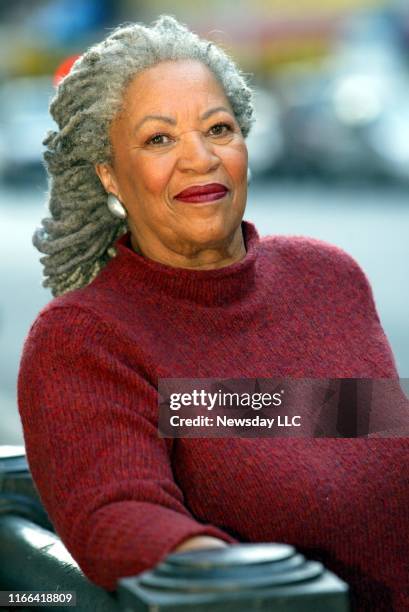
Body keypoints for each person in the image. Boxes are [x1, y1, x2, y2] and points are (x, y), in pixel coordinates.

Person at [17, 15, 408, 611]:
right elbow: (117, 514)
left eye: (218, 128)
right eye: (159, 139)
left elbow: (341, 431)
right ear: (109, 175)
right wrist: (233, 577)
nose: (200, 158)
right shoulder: (86, 338)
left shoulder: (326, 278)